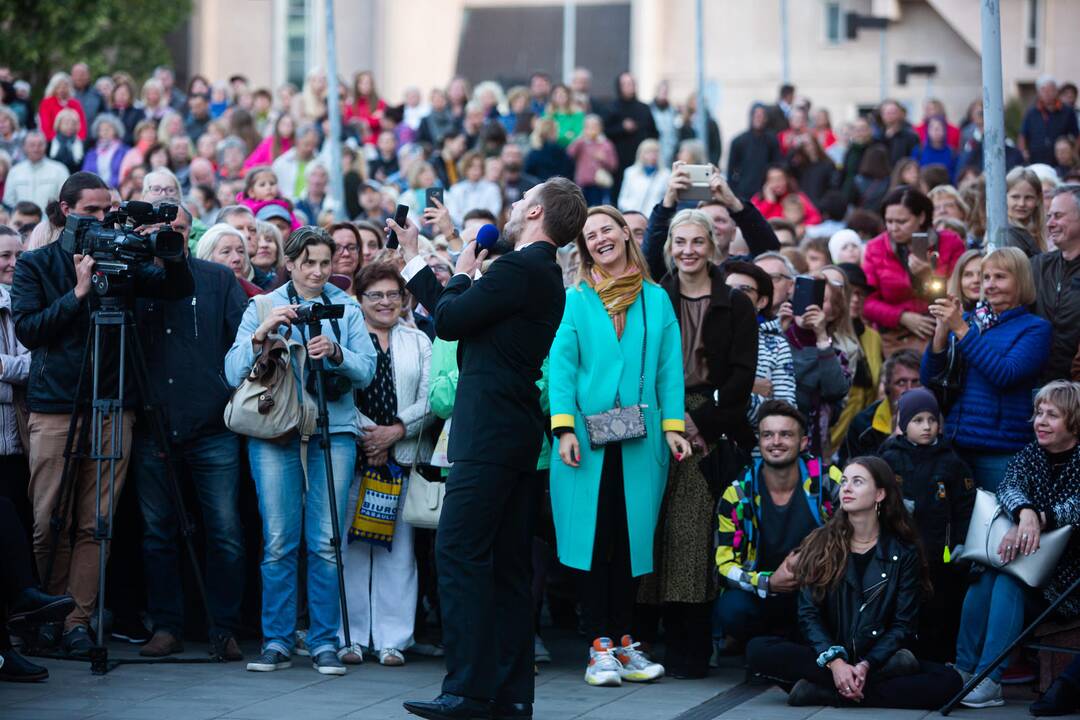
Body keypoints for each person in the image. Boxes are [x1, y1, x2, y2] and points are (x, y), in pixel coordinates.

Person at [394, 177, 586, 720]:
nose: (515, 202)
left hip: (491, 434)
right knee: (504, 568)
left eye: (524, 197)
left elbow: (450, 320)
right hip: (511, 433)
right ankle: (509, 694)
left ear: (538, 213)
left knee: (457, 553)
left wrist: (456, 267)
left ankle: (468, 691)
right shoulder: (535, 271)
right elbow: (462, 316)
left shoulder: (521, 268)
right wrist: (419, 261)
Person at [11, 172, 193, 657]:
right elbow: (29, 331)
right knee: (49, 519)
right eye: (90, 210)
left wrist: (168, 249)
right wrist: (78, 292)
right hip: (56, 405)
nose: (101, 218)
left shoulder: (125, 257)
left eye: (105, 209)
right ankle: (36, 617)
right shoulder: (35, 264)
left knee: (97, 522)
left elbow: (174, 288)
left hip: (115, 401)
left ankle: (76, 619)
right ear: (65, 210)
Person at [225, 226, 375, 675]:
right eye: (307, 262)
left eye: (324, 262)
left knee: (327, 543)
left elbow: (366, 371)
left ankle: (325, 641)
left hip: (335, 430)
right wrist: (261, 336)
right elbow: (232, 372)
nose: (317, 271)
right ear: (289, 263)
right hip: (275, 432)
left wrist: (336, 353)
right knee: (277, 541)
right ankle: (277, 640)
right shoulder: (262, 305)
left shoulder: (345, 306)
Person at [548, 206, 687, 686]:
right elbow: (561, 368)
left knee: (632, 541)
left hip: (641, 437)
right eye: (590, 235)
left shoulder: (657, 300)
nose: (600, 238)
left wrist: (673, 426)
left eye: (608, 228)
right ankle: (598, 645)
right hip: (585, 440)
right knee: (595, 539)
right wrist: (563, 427)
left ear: (627, 234)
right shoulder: (576, 299)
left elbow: (670, 370)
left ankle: (626, 642)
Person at [635, 207, 758, 677]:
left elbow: (743, 377)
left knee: (689, 534)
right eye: (679, 242)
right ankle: (640, 638)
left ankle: (689, 647)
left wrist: (699, 421)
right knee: (648, 526)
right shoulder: (653, 296)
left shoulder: (736, 303)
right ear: (669, 248)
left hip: (709, 428)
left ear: (713, 247)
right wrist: (668, 415)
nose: (688, 251)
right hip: (653, 418)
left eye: (697, 242)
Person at [746, 456, 962, 710]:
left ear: (880, 494)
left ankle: (824, 692)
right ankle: (851, 684)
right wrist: (835, 662)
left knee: (950, 682)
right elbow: (808, 615)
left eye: (857, 482)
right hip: (827, 653)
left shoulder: (903, 552)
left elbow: (903, 625)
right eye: (845, 481)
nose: (846, 488)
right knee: (758, 649)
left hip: (877, 656)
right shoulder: (820, 542)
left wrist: (867, 663)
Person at [129, 205, 248, 661]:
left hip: (211, 425)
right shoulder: (133, 278)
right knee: (157, 533)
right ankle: (167, 626)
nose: (171, 236)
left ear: (190, 233)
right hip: (152, 423)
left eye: (179, 228)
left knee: (225, 532)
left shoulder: (217, 279)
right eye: (162, 230)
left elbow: (242, 341)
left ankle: (223, 627)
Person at [954, 381, 1080, 708]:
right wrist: (1024, 513)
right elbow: (1008, 487)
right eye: (1039, 412)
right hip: (1026, 562)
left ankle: (990, 679)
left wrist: (1037, 517)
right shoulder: (1031, 453)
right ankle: (964, 670)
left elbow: (1076, 507)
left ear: (1075, 420)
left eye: (1052, 415)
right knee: (986, 575)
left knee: (1008, 582)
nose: (1040, 421)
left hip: (1067, 580)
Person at [338, 262, 433, 667]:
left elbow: (431, 397)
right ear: (358, 301)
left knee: (400, 552)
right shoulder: (345, 339)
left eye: (393, 294)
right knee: (352, 549)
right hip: (355, 454)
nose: (385, 302)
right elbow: (338, 395)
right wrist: (370, 435)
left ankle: (394, 639)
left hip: (403, 457)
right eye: (375, 294)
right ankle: (352, 636)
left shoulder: (418, 341)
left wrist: (395, 430)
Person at [923, 246, 1052, 491]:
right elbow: (930, 378)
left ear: (1021, 280)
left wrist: (960, 330)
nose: (990, 284)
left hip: (1000, 451)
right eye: (986, 277)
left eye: (1000, 277)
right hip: (957, 445)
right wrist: (941, 332)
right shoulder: (971, 321)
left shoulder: (1035, 328)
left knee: (999, 525)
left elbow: (1005, 374)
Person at [715, 401, 839, 647]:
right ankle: (761, 644)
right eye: (768, 435)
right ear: (759, 442)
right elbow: (723, 566)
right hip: (763, 594)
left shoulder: (827, 481)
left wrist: (820, 565)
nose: (776, 442)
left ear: (803, 442)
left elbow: (861, 526)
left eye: (786, 434)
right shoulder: (738, 494)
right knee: (732, 609)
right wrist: (768, 582)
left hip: (818, 590)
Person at [878, 388, 974, 662]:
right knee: (902, 604)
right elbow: (874, 497)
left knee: (940, 606)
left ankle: (941, 659)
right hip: (899, 550)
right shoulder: (889, 458)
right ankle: (900, 655)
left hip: (938, 553)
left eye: (932, 420)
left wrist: (962, 541)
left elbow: (965, 506)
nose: (927, 427)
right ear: (903, 423)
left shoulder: (951, 460)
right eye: (918, 420)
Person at [862, 186, 965, 355]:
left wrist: (929, 276)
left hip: (943, 330)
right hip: (895, 336)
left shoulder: (950, 242)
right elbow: (866, 302)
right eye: (889, 221)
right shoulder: (876, 248)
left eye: (902, 222)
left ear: (922, 217)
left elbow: (961, 293)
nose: (894, 228)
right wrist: (901, 317)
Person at [723, 261, 796, 423]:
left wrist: (745, 399)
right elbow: (693, 394)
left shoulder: (777, 346)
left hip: (755, 445)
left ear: (762, 301)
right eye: (728, 289)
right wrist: (747, 387)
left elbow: (786, 411)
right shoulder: (701, 337)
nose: (734, 295)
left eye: (745, 290)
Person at [0, 226, 30, 534]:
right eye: (5, 255)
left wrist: (2, 367)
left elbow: (37, 366)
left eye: (19, 255)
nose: (13, 263)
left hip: (20, 443)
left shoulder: (25, 301)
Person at [1035, 186, 1080, 383]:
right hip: (1039, 386)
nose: (1050, 224)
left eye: (1058, 216)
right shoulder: (1038, 265)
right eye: (1049, 216)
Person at [843, 349, 921, 461]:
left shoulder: (936, 420)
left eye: (916, 382)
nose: (910, 389)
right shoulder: (862, 425)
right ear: (887, 387)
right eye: (901, 382)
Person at [603, 72, 658, 200]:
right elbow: (605, 132)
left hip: (642, 161)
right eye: (626, 84)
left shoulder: (644, 108)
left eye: (632, 83)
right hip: (618, 163)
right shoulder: (611, 108)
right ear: (619, 86)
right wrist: (622, 128)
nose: (630, 87)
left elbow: (654, 133)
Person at [1020, 76, 1079, 166]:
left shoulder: (1067, 111)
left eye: (1050, 90)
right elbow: (1023, 135)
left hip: (1060, 162)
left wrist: (1074, 153)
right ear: (1039, 93)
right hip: (1036, 160)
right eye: (1043, 90)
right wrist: (1023, 152)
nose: (1047, 93)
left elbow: (1077, 136)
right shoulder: (1031, 112)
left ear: (1056, 91)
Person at [3, 132, 70, 210]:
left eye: (40, 145)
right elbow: (8, 202)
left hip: (51, 220)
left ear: (46, 146)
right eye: (32, 145)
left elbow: (65, 200)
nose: (36, 149)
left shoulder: (60, 170)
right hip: (22, 220)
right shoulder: (14, 171)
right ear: (24, 147)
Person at [195, 223, 263, 298]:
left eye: (241, 251)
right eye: (226, 252)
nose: (237, 258)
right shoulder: (191, 296)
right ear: (207, 258)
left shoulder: (258, 298)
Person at [567, 115, 618, 207]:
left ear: (600, 128)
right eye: (588, 127)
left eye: (594, 126)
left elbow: (613, 165)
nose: (592, 129)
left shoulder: (606, 144)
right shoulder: (581, 142)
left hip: (600, 184)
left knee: (598, 208)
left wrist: (603, 159)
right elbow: (570, 153)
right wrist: (580, 138)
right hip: (583, 183)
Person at [752, 165, 822, 226]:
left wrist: (802, 226)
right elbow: (753, 222)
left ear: (787, 180)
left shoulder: (796, 196)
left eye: (780, 179)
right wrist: (769, 202)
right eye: (772, 180)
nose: (777, 183)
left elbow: (816, 217)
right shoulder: (759, 198)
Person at [446, 150, 502, 227]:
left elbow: (494, 212)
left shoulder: (492, 188)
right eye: (471, 166)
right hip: (461, 230)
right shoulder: (456, 189)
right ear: (465, 167)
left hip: (485, 230)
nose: (476, 170)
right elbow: (453, 213)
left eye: (479, 166)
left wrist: (479, 225)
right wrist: (469, 225)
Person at [616, 139, 669, 215]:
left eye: (655, 152)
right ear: (641, 154)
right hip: (634, 216)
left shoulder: (665, 174)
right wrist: (630, 212)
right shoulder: (630, 172)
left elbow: (666, 199)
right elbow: (623, 198)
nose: (652, 155)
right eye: (648, 152)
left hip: (654, 218)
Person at [1005, 166, 1047, 257]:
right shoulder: (1007, 235)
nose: (1021, 204)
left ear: (1038, 199)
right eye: (1015, 197)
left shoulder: (1041, 231)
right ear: (1004, 198)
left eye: (1028, 197)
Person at [37, 72, 87, 142]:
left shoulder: (75, 104)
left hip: (75, 142)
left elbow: (82, 125)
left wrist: (78, 139)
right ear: (53, 88)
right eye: (58, 87)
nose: (62, 89)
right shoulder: (46, 103)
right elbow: (45, 126)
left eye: (65, 86)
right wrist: (59, 140)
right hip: (53, 142)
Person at [81, 114, 128, 189]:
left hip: (117, 189)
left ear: (116, 131)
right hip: (95, 190)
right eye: (101, 130)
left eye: (108, 129)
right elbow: (85, 174)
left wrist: (109, 187)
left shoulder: (124, 151)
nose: (104, 132)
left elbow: (125, 175)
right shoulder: (91, 153)